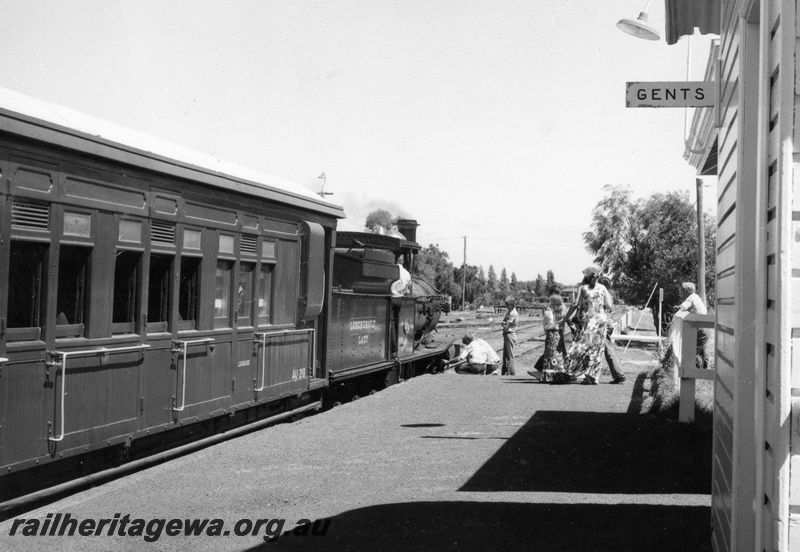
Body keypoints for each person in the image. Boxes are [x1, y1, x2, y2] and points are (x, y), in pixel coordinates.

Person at [562, 267, 612, 385]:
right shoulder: (603, 288)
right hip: (600, 322)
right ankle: (593, 377)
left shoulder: (582, 288)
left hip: (587, 321)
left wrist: (565, 319)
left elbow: (574, 304)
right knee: (597, 349)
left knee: (579, 345)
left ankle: (568, 370)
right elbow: (609, 305)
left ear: (586, 276)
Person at [529, 293, 568, 382]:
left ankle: (548, 375)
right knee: (559, 353)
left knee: (549, 354)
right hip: (559, 334)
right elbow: (564, 326)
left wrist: (546, 332)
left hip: (551, 334)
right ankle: (559, 374)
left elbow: (545, 325)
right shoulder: (562, 313)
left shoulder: (548, 312)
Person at [598, 276, 626, 384]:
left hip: (603, 324)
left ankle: (619, 374)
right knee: (607, 348)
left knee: (608, 349)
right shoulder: (609, 295)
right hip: (609, 323)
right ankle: (618, 374)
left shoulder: (602, 294)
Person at [676, 281, 709, 369]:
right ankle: (705, 369)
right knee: (703, 348)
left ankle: (694, 369)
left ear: (686, 290)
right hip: (706, 326)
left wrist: (676, 308)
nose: (681, 292)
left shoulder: (690, 298)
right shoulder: (696, 297)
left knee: (693, 350)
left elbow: (682, 307)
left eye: (682, 290)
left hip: (699, 327)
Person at [501, 296, 518, 376]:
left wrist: (504, 326)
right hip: (507, 335)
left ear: (512, 304)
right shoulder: (509, 312)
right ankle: (504, 371)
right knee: (505, 355)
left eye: (507, 305)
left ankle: (511, 373)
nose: (506, 306)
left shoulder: (513, 313)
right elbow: (504, 322)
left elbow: (506, 325)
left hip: (509, 334)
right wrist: (504, 324)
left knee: (510, 355)